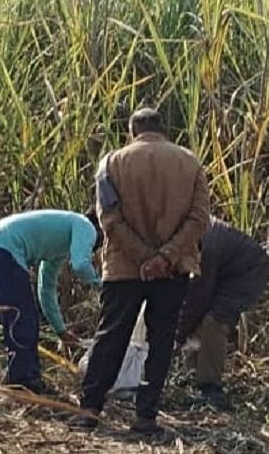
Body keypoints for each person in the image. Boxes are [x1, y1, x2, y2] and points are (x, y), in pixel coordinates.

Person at [71, 108, 210, 434]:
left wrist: (144, 257)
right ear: (164, 129)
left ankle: (89, 410)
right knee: (161, 341)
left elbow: (109, 220)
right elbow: (199, 218)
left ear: (133, 131)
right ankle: (145, 416)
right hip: (173, 271)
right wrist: (165, 257)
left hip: (123, 269)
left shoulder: (110, 163)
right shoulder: (190, 162)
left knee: (111, 337)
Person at [0, 209, 102, 394]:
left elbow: (46, 289)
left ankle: (17, 377)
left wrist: (61, 331)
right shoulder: (85, 224)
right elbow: (80, 264)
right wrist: (101, 285)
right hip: (4, 248)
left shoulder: (58, 245)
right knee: (23, 318)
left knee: (15, 317)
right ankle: (25, 382)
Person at [174, 217, 269, 410]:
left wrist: (178, 335)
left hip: (249, 271)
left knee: (215, 320)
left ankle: (210, 386)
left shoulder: (207, 248)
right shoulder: (190, 232)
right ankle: (193, 374)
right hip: (226, 270)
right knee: (199, 319)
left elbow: (198, 297)